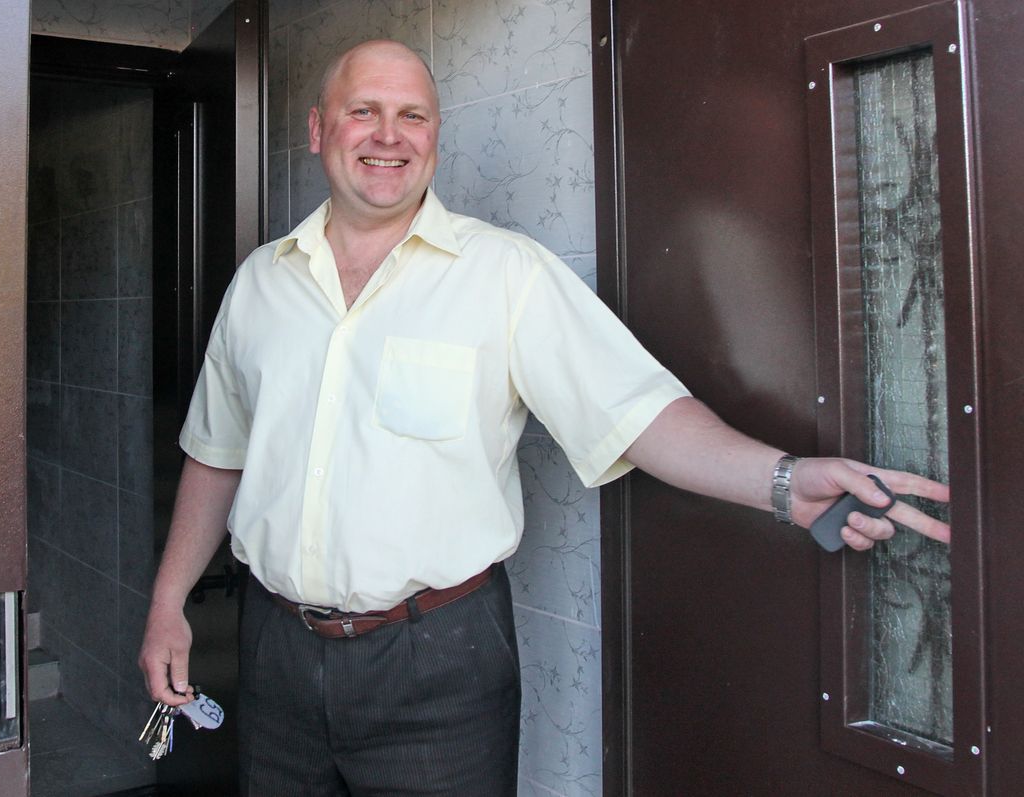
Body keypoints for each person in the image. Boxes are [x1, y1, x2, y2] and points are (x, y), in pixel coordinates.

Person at [139, 39, 951, 795]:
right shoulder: (259, 285)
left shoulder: (506, 274)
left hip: (440, 662)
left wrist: (782, 481)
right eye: (364, 111)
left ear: (435, 137)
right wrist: (168, 600)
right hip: (274, 651)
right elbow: (218, 453)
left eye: (412, 114)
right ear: (319, 130)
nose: (388, 135)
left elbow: (638, 412)